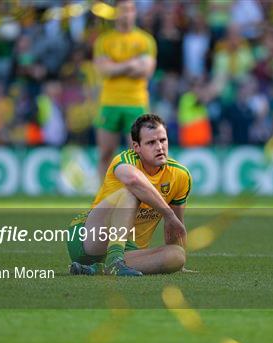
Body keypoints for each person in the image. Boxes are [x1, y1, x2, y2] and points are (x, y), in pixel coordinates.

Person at [68, 114, 191, 276]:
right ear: (136, 147)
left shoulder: (180, 175)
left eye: (163, 140)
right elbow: (133, 180)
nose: (159, 147)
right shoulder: (124, 160)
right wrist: (167, 213)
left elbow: (175, 226)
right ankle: (114, 261)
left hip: (131, 250)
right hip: (90, 237)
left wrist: (177, 261)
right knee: (131, 192)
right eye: (151, 143)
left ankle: (96, 270)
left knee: (177, 255)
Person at [93, 0, 157, 180]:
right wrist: (132, 63)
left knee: (138, 156)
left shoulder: (145, 40)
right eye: (123, 10)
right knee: (106, 153)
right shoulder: (104, 41)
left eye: (130, 10)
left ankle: (137, 200)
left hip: (136, 103)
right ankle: (103, 199)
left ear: (134, 12)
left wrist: (116, 66)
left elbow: (146, 70)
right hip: (110, 102)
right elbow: (104, 70)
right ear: (115, 13)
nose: (127, 14)